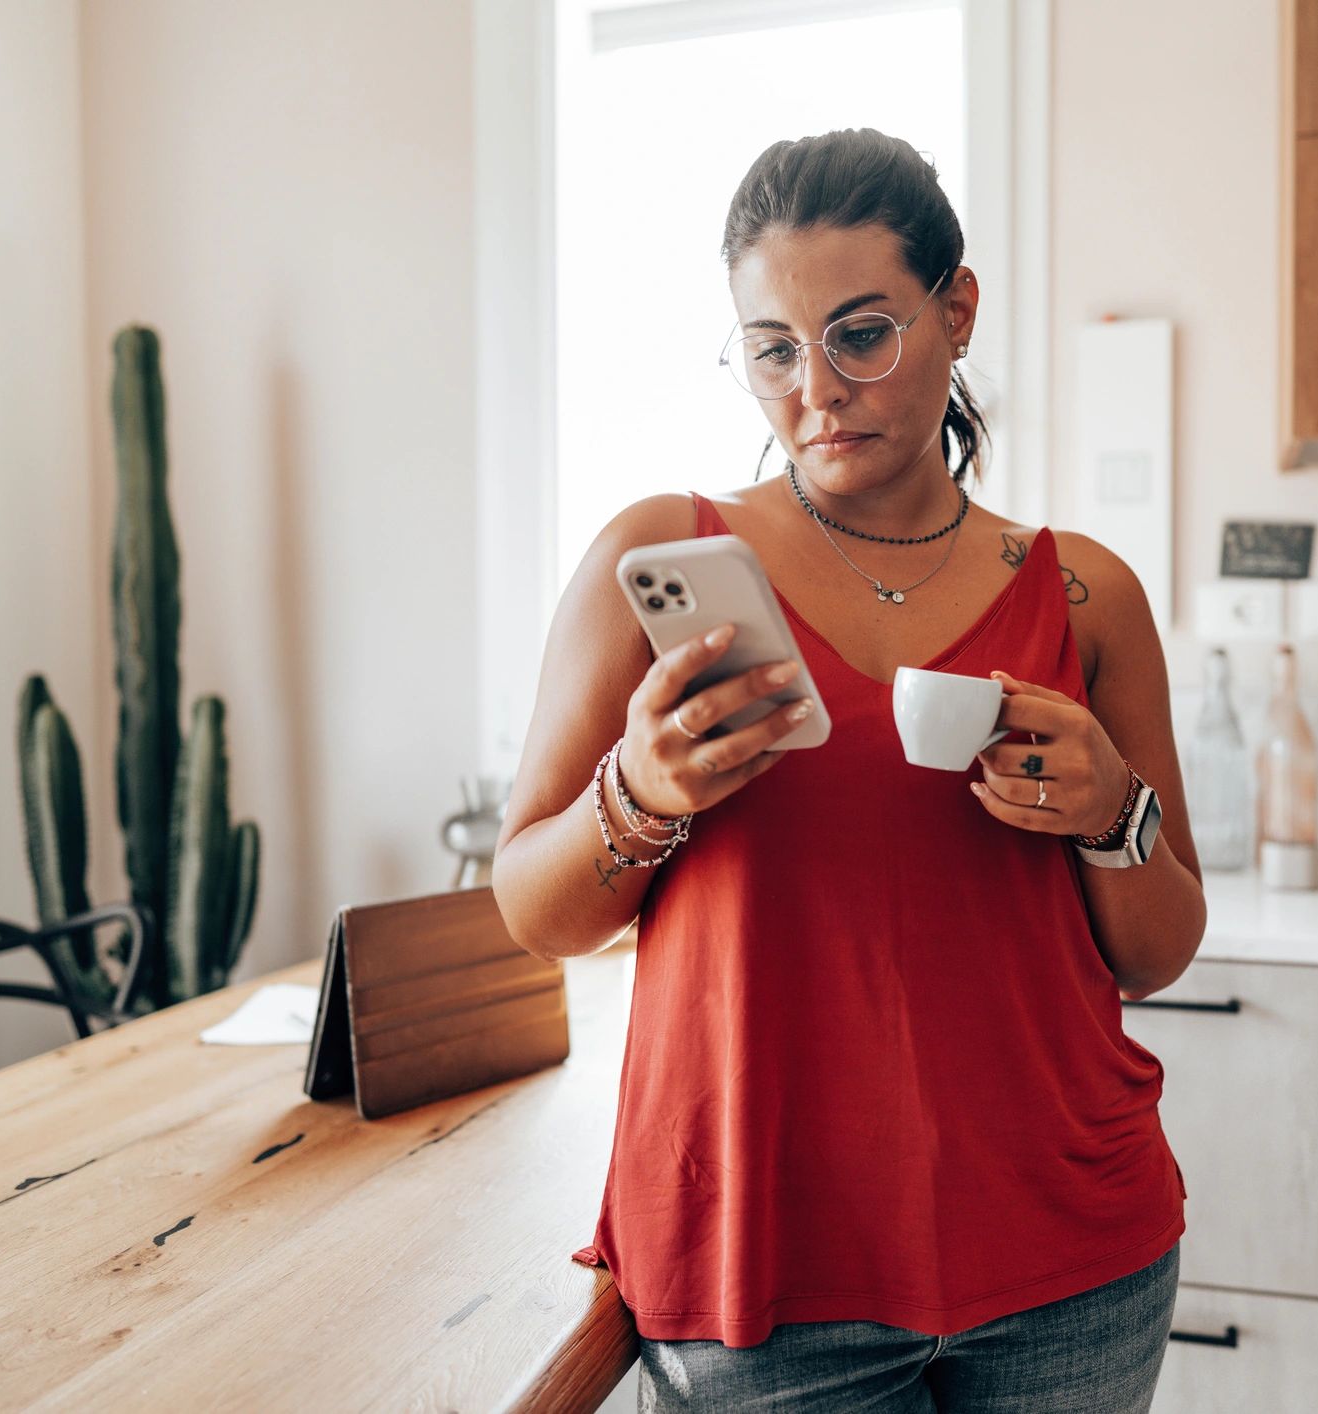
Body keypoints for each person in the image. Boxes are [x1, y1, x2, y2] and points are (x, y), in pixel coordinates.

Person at [491, 128, 1206, 1412]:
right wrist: (643, 791)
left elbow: (1159, 949)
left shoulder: (1089, 594)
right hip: (766, 1270)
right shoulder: (658, 560)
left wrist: (1112, 807)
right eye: (772, 349)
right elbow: (532, 906)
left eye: (861, 335)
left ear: (958, 309)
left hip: (1071, 1261)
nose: (815, 389)